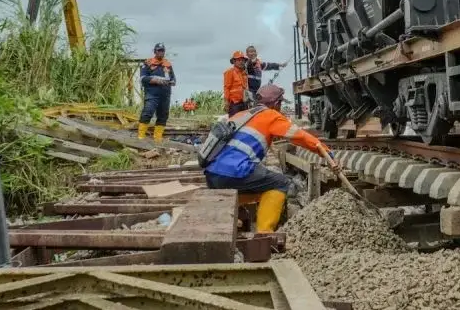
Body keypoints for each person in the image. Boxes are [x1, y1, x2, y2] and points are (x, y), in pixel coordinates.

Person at [204, 84, 339, 233]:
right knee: (280, 183)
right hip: (234, 172)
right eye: (280, 104)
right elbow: (300, 136)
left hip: (212, 174)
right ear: (276, 103)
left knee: (262, 188)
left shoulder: (242, 115)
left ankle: (236, 216)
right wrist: (326, 152)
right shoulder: (272, 115)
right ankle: (264, 234)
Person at [137, 43, 176, 142]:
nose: (161, 52)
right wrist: (154, 80)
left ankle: (158, 138)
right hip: (152, 94)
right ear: (155, 51)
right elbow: (142, 78)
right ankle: (141, 137)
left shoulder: (167, 64)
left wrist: (171, 82)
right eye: (159, 50)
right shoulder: (148, 63)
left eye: (162, 51)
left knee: (163, 115)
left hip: (165, 95)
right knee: (147, 112)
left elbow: (173, 79)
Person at [224, 51, 250, 116]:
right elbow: (226, 88)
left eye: (242, 60)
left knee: (245, 120)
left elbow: (246, 88)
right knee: (234, 121)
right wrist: (226, 102)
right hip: (234, 103)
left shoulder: (245, 73)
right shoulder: (230, 72)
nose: (241, 62)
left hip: (244, 102)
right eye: (239, 60)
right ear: (234, 61)